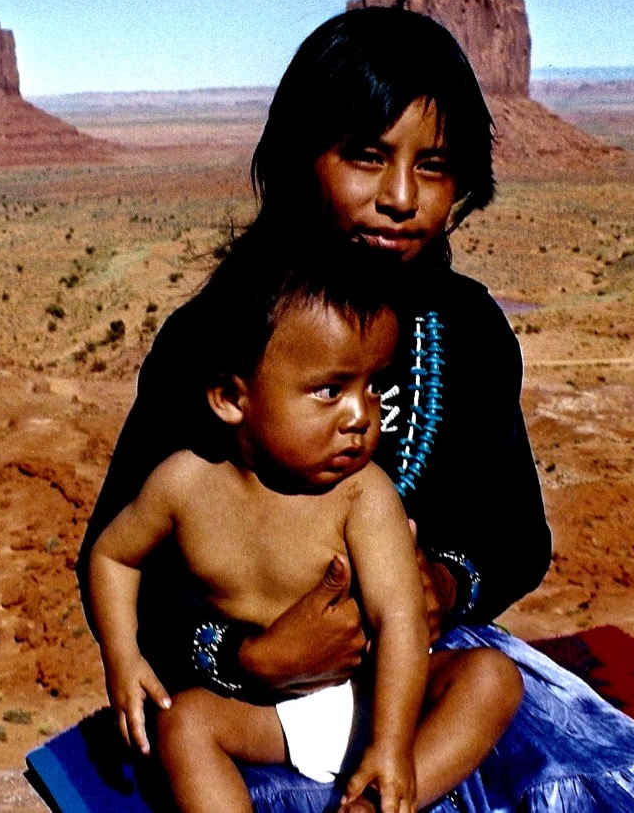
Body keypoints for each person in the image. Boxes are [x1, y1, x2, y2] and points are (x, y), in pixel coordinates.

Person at [77, 7, 634, 811]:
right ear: (298, 158)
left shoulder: (470, 330)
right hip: (244, 699)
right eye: (366, 156)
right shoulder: (215, 341)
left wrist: (445, 587)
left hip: (422, 677)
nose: (400, 196)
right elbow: (125, 558)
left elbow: (518, 533)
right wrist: (253, 657)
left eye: (436, 165)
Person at [87, 242, 524, 813]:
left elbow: (400, 620)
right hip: (265, 712)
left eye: (374, 386)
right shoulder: (182, 486)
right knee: (184, 725)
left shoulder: (363, 495)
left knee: (491, 679)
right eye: (330, 390)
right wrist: (123, 657)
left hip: (373, 698)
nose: (360, 416)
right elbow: (113, 557)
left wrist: (390, 745)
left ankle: (376, 805)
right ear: (230, 398)